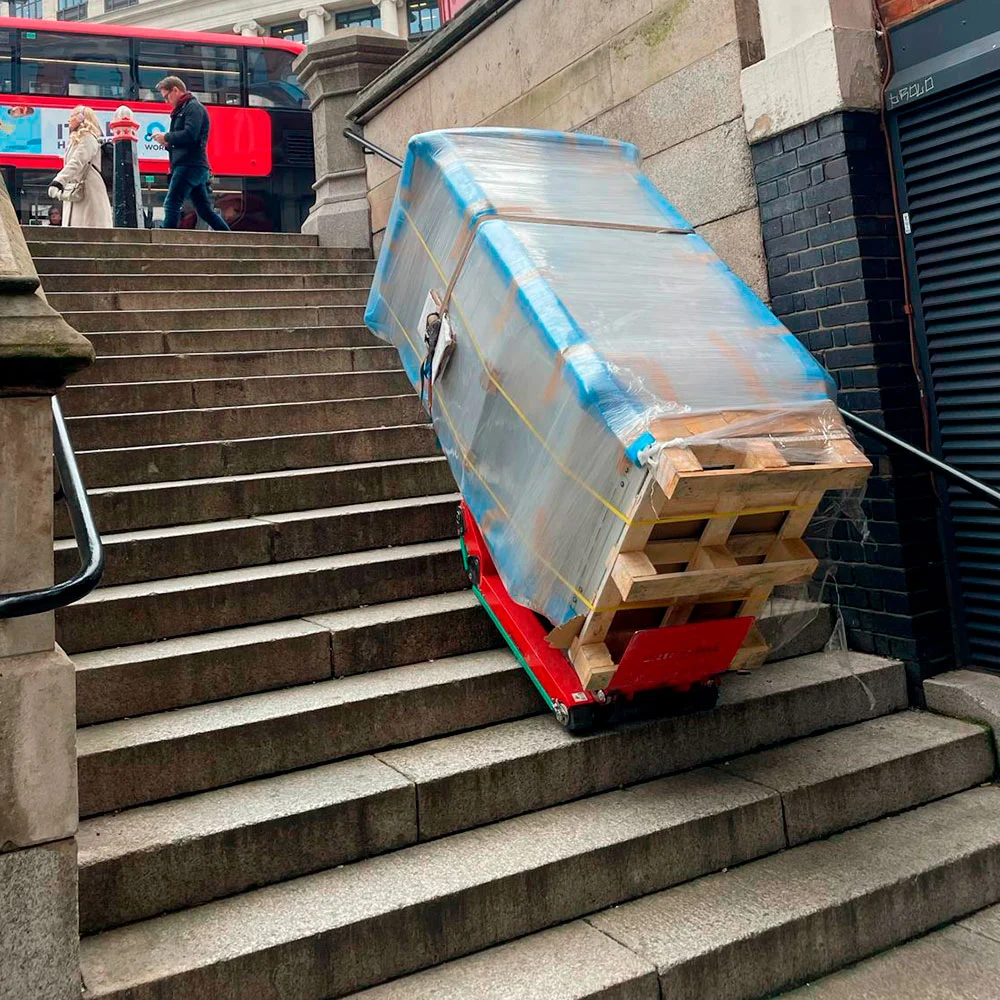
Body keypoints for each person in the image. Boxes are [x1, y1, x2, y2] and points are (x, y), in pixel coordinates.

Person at [151, 76, 230, 231]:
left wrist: (167, 137)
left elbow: (190, 134)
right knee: (205, 211)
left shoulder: (193, 108)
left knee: (172, 201)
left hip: (189, 165)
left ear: (176, 90)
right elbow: (187, 139)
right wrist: (168, 144)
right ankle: (230, 238)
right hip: (193, 165)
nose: (166, 101)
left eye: (167, 96)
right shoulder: (184, 108)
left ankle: (167, 238)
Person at [47, 106, 112, 228]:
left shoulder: (88, 137)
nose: (69, 119)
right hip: (77, 190)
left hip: (89, 190)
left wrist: (59, 181)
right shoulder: (75, 140)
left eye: (72, 115)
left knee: (89, 228)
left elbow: (77, 162)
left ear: (81, 117)